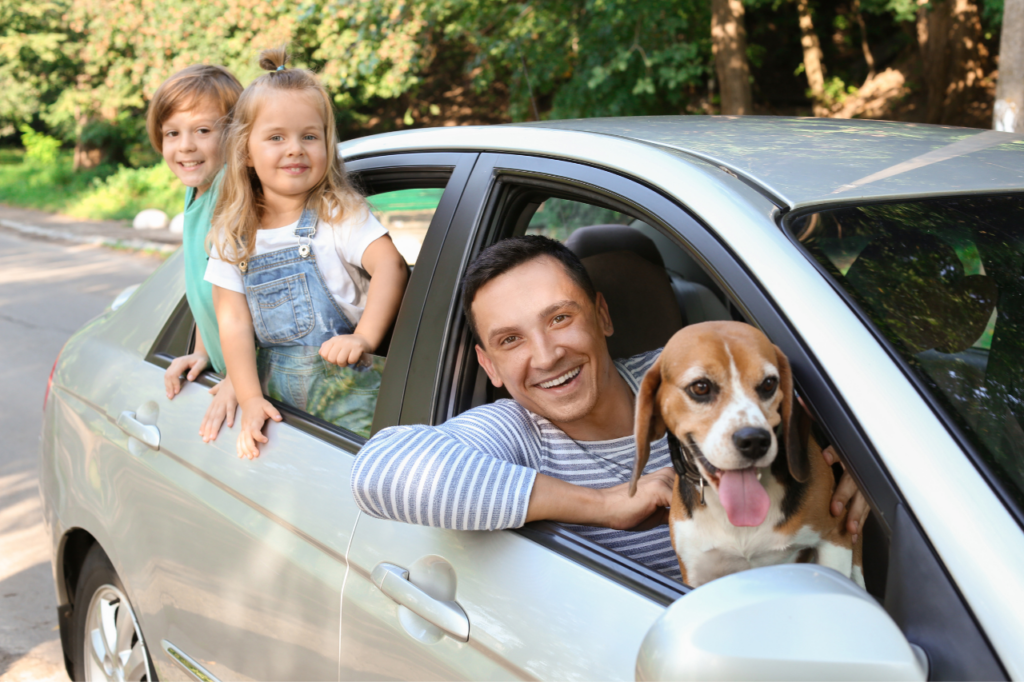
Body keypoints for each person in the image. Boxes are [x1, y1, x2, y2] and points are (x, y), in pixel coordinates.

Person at [351, 236, 869, 579]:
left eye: (559, 319)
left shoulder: (684, 370)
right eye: (511, 340)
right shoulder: (513, 430)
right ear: (489, 366)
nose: (547, 355)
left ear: (601, 315)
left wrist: (865, 465)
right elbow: (378, 471)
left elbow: (824, 396)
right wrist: (605, 505)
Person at [205, 46, 408, 459]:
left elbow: (391, 266)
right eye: (276, 137)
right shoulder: (233, 236)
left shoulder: (339, 214)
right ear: (245, 151)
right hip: (280, 404)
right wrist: (248, 398)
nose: (295, 148)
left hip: (349, 398)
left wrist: (363, 336)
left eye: (309, 136)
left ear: (326, 146)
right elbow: (234, 324)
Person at [149, 64, 244, 443]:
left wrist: (239, 378)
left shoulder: (232, 197)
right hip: (230, 368)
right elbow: (212, 285)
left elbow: (259, 302)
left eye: (202, 131)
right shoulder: (197, 189)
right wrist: (204, 349)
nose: (185, 146)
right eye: (172, 133)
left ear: (236, 135)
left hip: (264, 379)